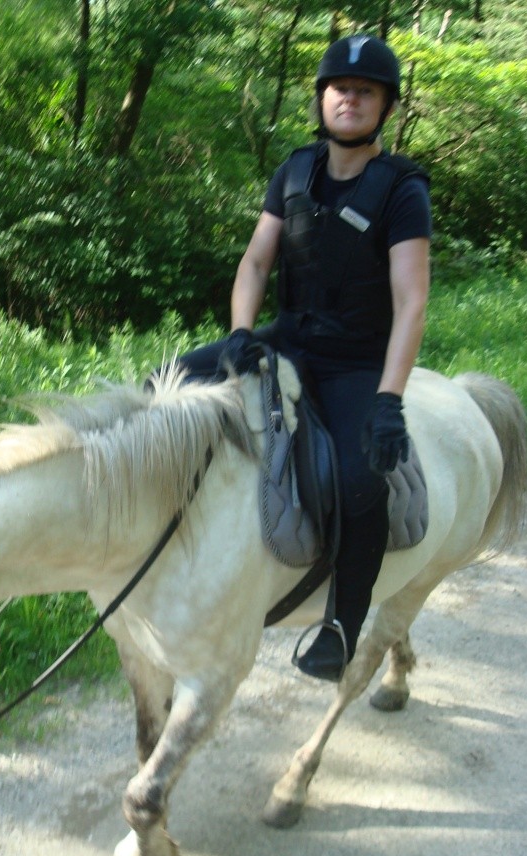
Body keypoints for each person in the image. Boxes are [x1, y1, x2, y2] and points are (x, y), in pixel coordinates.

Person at [180, 34, 432, 682]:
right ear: (321, 98)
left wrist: (387, 401)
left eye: (365, 90)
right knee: (169, 381)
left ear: (384, 106)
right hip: (288, 334)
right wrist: (240, 332)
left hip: (354, 361)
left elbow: (410, 302)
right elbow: (256, 261)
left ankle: (343, 623)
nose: (350, 97)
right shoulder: (293, 172)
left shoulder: (402, 190)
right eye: (339, 88)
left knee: (358, 478)